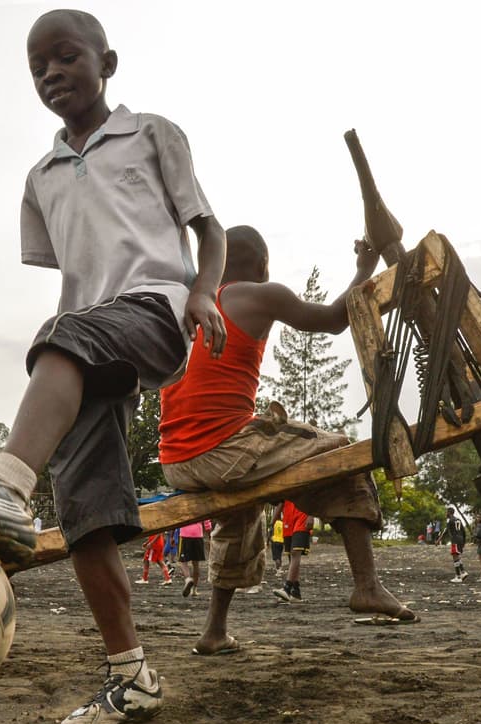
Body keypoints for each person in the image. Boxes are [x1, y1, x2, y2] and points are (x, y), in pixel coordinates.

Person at [0, 9, 226, 724]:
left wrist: (201, 290)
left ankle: (5, 486)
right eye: (37, 66)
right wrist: (65, 371)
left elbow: (210, 227)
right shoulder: (40, 177)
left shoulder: (153, 133)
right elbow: (74, 270)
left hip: (157, 312)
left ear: (108, 61)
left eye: (66, 57)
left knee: (63, 334)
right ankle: (129, 674)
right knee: (87, 512)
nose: (51, 73)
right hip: (90, 341)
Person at [158, 227, 413, 652]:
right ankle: (367, 585)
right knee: (342, 454)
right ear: (262, 266)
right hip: (222, 449)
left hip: (177, 459)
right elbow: (334, 320)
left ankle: (214, 632)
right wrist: (364, 269)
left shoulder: (192, 307)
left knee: (240, 512)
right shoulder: (260, 294)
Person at [274, 501, 313, 603]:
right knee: (291, 556)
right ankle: (296, 592)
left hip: (302, 516)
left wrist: (311, 515)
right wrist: (273, 522)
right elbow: (280, 501)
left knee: (296, 552)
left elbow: (313, 493)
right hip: (288, 518)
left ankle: (287, 588)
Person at [177, 520, 207, 597]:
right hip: (198, 535)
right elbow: (207, 520)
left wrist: (172, 535)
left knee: (182, 562)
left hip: (185, 534)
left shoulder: (183, 507)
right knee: (196, 564)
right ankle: (194, 590)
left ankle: (188, 579)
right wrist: (208, 530)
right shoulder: (202, 507)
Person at [444, 507, 468, 582]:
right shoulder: (459, 520)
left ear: (449, 512)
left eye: (446, 512)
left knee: (455, 557)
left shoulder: (449, 520)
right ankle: (463, 572)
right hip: (461, 538)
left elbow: (447, 531)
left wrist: (439, 540)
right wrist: (464, 541)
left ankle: (458, 576)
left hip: (455, 539)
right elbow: (464, 531)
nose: (445, 514)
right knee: (457, 556)